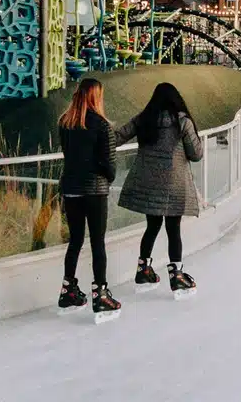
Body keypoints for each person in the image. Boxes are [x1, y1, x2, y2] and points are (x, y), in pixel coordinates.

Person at [116, 81, 203, 294]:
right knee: (174, 230)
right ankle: (177, 276)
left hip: (148, 183)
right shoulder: (183, 122)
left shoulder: (144, 120)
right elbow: (196, 154)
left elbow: (117, 137)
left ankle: (143, 269)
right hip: (174, 185)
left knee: (152, 226)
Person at [57, 76, 121, 316]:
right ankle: (100, 293)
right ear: (96, 96)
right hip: (94, 190)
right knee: (97, 242)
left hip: (71, 188)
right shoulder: (102, 125)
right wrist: (105, 176)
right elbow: (110, 167)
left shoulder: (65, 123)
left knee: (75, 241)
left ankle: (68, 290)